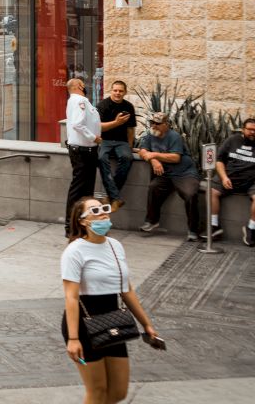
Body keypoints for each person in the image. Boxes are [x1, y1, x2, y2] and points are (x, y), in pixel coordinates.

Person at [61, 197, 159, 404]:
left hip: (113, 320)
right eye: (95, 211)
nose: (103, 213)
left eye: (104, 208)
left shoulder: (115, 246)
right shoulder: (74, 251)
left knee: (117, 392)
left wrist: (146, 324)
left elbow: (126, 290)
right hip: (83, 324)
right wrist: (73, 338)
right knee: (97, 391)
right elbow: (71, 296)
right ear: (83, 221)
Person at [136, 113, 202, 240]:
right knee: (154, 187)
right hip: (166, 174)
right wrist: (154, 160)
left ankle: (193, 230)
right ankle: (152, 221)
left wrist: (153, 155)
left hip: (184, 173)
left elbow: (175, 157)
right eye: (152, 123)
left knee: (190, 194)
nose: (154, 126)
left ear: (166, 125)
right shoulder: (150, 135)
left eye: (158, 124)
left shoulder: (174, 136)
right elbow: (143, 151)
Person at [65, 77, 103, 237]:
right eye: (83, 84)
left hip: (86, 150)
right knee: (80, 189)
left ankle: (83, 223)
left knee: (86, 189)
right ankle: (71, 226)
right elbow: (78, 124)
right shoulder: (79, 100)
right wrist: (92, 137)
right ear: (79, 86)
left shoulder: (76, 101)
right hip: (83, 150)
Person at [209, 116, 255, 244]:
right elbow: (219, 160)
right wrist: (224, 177)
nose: (252, 132)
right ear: (243, 130)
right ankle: (214, 227)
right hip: (229, 177)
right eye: (250, 129)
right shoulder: (233, 140)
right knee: (212, 190)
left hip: (251, 181)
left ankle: (251, 229)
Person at [96, 81, 136, 210]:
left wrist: (130, 146)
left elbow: (130, 128)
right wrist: (117, 122)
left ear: (125, 92)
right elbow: (99, 127)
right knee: (101, 158)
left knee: (127, 158)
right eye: (115, 90)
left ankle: (111, 196)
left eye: (120, 91)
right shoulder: (102, 105)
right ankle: (116, 198)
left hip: (121, 141)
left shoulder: (129, 106)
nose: (117, 93)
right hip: (105, 140)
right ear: (111, 90)